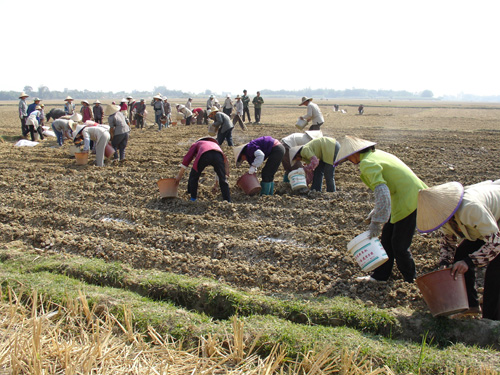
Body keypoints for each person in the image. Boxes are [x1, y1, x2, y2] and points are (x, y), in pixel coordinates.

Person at [334, 135, 427, 283]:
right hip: (404, 198)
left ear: (354, 154)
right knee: (386, 239)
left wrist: (377, 220)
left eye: (348, 159)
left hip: (410, 201)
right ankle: (380, 276)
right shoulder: (377, 155)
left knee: (399, 245)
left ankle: (411, 280)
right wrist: (377, 211)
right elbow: (388, 188)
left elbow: (382, 190)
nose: (350, 163)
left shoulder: (367, 163)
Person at [417, 180, 500, 320]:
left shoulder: (470, 208)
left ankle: (491, 321)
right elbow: (448, 241)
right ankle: (470, 305)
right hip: (485, 224)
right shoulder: (444, 217)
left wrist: (469, 262)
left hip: (495, 223)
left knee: (495, 271)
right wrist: (444, 261)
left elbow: (496, 243)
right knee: (460, 255)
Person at [175, 137, 231, 203]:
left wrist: (179, 177)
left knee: (194, 176)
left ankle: (193, 198)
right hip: (218, 156)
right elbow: (218, 171)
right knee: (223, 178)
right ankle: (227, 200)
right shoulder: (216, 145)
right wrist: (216, 185)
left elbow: (187, 159)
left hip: (204, 155)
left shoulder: (197, 144)